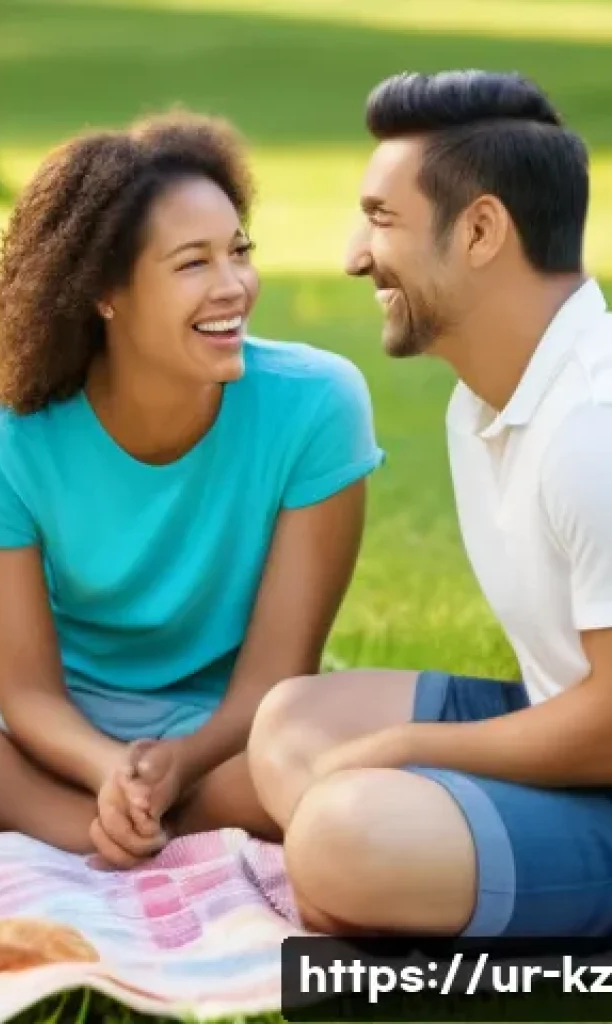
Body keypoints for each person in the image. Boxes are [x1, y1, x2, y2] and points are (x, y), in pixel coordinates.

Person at [0, 110, 384, 869]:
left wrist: (180, 763)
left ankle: (141, 822)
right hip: (57, 736)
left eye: (239, 252)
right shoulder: (1, 436)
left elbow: (274, 679)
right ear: (104, 291)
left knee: (356, 763)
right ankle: (79, 825)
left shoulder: (317, 403)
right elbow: (26, 694)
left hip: (231, 735)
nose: (233, 287)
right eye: (193, 264)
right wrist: (105, 770)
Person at [247, 69, 612, 938]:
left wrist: (413, 749)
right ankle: (418, 873)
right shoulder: (483, 405)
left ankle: (394, 873)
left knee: (342, 836)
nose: (353, 255)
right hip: (569, 729)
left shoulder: (591, 429)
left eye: (381, 219)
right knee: (294, 720)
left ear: (481, 230)